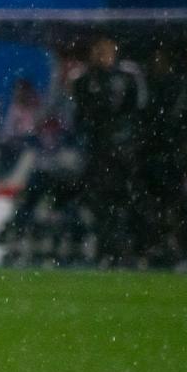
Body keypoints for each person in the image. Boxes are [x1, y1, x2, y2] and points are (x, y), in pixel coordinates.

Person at [69, 37, 143, 265]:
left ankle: (125, 249)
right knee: (98, 201)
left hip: (122, 150)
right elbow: (80, 114)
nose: (103, 54)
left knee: (124, 200)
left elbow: (138, 109)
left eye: (107, 49)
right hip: (98, 150)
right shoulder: (85, 79)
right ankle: (106, 249)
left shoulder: (128, 75)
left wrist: (128, 141)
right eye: (98, 49)